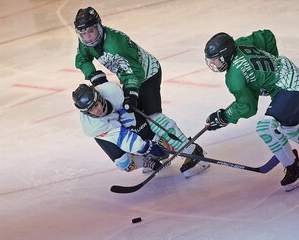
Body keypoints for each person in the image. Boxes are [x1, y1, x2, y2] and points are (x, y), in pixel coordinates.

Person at [73, 6, 209, 178]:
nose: (88, 38)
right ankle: (161, 149)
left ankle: (192, 151)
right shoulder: (86, 40)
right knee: (137, 117)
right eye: (83, 34)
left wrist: (131, 93)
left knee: (151, 117)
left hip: (146, 74)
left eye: (90, 31)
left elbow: (135, 70)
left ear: (99, 26)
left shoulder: (115, 44)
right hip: (128, 76)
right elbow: (82, 58)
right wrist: (93, 75)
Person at [203, 30, 299, 192]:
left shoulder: (234, 77)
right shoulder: (241, 42)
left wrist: (224, 117)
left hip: (289, 88)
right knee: (289, 129)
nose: (214, 63)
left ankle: (294, 169)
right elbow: (267, 36)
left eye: (215, 59)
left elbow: (248, 107)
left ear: (226, 55)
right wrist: (272, 65)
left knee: (265, 128)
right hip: (295, 76)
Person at [72, 79, 170, 173]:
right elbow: (122, 137)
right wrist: (146, 147)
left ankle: (163, 143)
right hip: (110, 131)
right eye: (90, 110)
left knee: (137, 127)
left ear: (99, 97)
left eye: (96, 105)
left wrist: (148, 141)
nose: (96, 111)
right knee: (125, 164)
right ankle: (146, 161)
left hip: (121, 114)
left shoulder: (112, 91)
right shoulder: (92, 127)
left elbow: (129, 117)